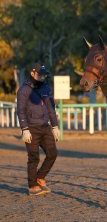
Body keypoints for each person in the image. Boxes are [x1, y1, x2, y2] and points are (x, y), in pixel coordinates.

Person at [17, 62, 60, 196]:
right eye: (40, 74)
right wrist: (24, 129)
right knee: (34, 158)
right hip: (31, 128)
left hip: (45, 126)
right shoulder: (24, 90)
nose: (43, 77)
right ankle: (32, 185)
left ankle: (40, 178)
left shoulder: (46, 87)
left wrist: (55, 126)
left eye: (44, 74)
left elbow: (51, 108)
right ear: (32, 73)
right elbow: (20, 110)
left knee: (52, 153)